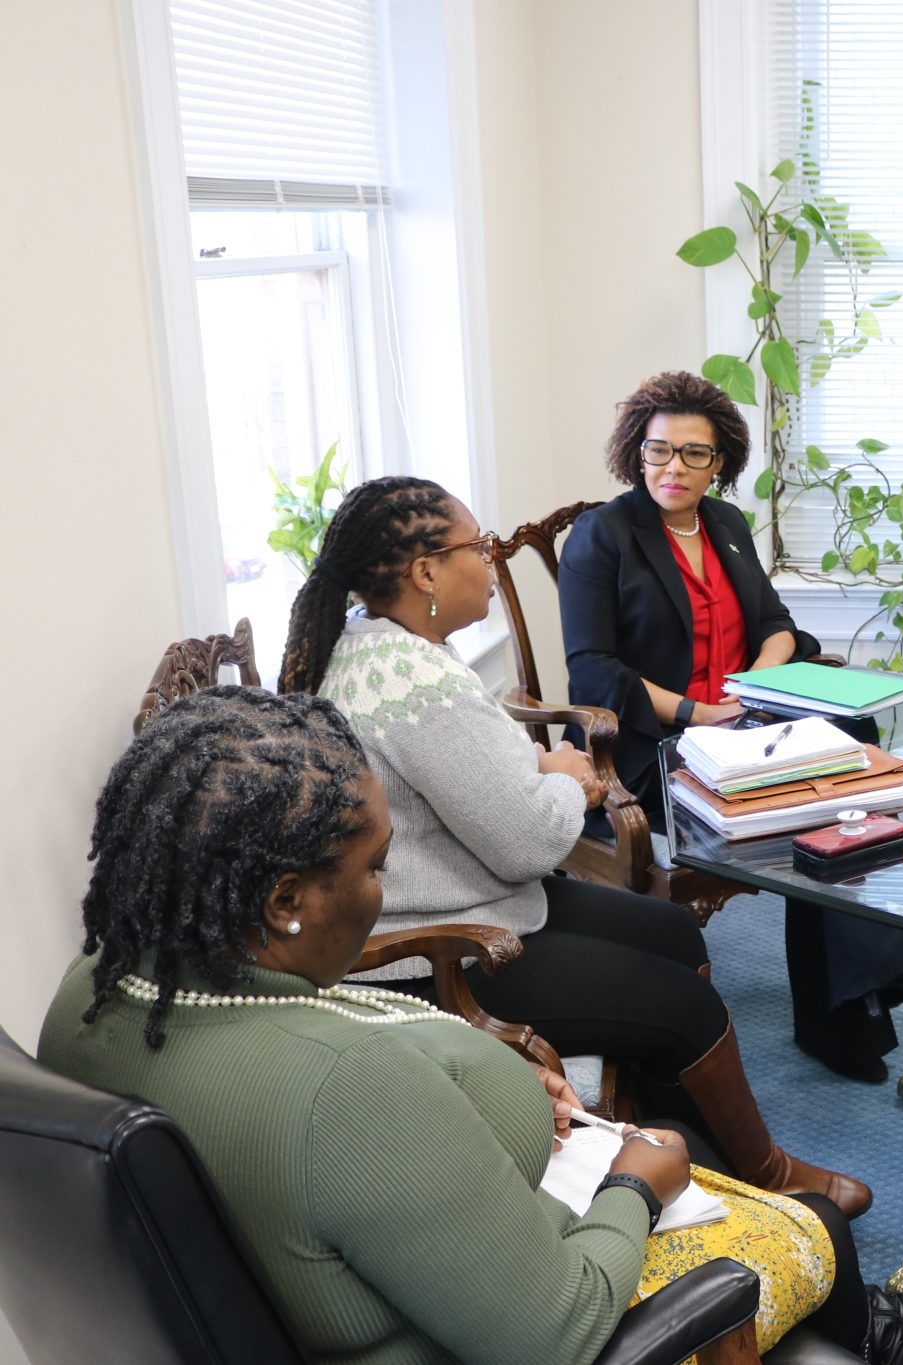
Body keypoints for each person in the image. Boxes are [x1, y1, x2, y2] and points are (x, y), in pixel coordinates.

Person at [37, 688, 903, 1365]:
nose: (385, 892)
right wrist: (634, 1185)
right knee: (800, 1210)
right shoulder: (345, 1098)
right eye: (374, 866)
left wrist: (457, 1060)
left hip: (411, 1247)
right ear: (285, 899)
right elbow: (559, 1335)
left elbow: (311, 1043)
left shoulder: (102, 985)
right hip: (529, 1311)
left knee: (695, 1137)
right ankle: (890, 1342)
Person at [278, 475, 869, 1217]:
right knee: (685, 1005)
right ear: (424, 571)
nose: (491, 562)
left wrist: (543, 770)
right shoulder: (413, 681)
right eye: (477, 547)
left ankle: (671, 1144)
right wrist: (572, 781)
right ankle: (771, 1175)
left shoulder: (387, 651)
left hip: (480, 895)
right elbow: (527, 841)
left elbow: (473, 778)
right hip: (446, 949)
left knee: (672, 927)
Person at [558, 370, 903, 1084]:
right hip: (656, 746)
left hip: (744, 722)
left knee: (855, 757)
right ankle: (855, 1003)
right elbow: (594, 671)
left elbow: (777, 626)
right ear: (636, 450)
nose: (674, 467)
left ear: (720, 461)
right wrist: (700, 710)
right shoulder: (602, 537)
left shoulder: (724, 525)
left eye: (695, 453)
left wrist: (759, 680)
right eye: (659, 450)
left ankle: (859, 995)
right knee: (811, 808)